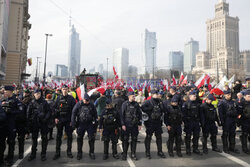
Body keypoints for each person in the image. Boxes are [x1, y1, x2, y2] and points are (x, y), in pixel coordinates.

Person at [27, 89, 51, 161]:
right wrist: (29, 122)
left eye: (39, 93)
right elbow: (28, 113)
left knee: (44, 138)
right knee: (34, 139)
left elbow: (49, 111)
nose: (37, 95)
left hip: (43, 123)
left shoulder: (44, 102)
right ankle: (33, 154)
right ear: (34, 94)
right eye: (36, 94)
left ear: (41, 94)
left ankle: (43, 154)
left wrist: (45, 118)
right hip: (34, 123)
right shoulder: (31, 103)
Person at [71, 93, 98, 160]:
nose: (86, 102)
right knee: (79, 138)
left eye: (88, 100)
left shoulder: (91, 104)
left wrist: (96, 123)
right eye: (85, 100)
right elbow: (73, 113)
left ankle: (91, 152)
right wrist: (73, 123)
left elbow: (95, 114)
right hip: (81, 123)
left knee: (91, 139)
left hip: (90, 124)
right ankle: (79, 153)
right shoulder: (78, 104)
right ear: (83, 99)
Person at [53, 85, 76, 160]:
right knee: (58, 137)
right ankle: (57, 152)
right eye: (63, 89)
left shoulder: (71, 98)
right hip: (60, 120)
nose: (65, 90)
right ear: (61, 90)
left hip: (68, 120)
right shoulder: (58, 98)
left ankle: (69, 152)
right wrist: (56, 117)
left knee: (69, 137)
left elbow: (74, 110)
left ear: (68, 90)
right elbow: (55, 108)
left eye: (66, 89)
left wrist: (72, 120)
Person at [141, 90, 166, 159]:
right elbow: (142, 108)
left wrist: (161, 106)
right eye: (154, 94)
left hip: (158, 122)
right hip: (150, 122)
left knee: (159, 137)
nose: (156, 95)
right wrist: (150, 109)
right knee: (148, 137)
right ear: (151, 94)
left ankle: (160, 151)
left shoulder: (159, 101)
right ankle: (147, 152)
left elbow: (164, 109)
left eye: (156, 94)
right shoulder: (148, 101)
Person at [1, 86, 23, 166]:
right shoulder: (3, 100)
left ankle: (10, 158)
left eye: (6, 91)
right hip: (3, 125)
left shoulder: (16, 101)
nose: (4, 93)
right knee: (2, 142)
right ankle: (2, 157)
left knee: (11, 141)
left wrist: (11, 111)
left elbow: (20, 111)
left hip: (12, 124)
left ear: (10, 92)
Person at [120, 91, 142, 161]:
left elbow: (140, 114)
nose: (134, 97)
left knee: (134, 139)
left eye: (134, 96)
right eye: (133, 96)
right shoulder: (125, 104)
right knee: (125, 139)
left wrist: (139, 124)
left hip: (134, 125)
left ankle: (133, 153)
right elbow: (122, 115)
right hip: (127, 125)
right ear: (129, 96)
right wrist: (123, 124)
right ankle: (125, 153)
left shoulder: (136, 104)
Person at [182, 91, 202, 155]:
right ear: (190, 96)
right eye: (194, 96)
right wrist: (185, 122)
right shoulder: (186, 104)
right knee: (188, 136)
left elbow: (200, 113)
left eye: (195, 96)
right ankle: (188, 149)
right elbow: (183, 114)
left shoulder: (197, 104)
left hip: (196, 122)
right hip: (189, 122)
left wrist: (200, 122)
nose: (195, 97)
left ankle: (195, 148)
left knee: (196, 136)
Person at [0, 103, 8, 167]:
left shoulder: (1, 109)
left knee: (2, 145)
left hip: (1, 129)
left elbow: (3, 117)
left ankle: (1, 159)